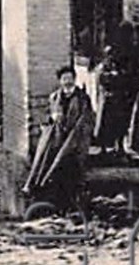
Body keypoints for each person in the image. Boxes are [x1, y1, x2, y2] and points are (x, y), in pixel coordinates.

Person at [24, 65, 95, 214]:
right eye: (64, 79)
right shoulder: (55, 97)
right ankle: (54, 203)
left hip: (74, 141)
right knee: (54, 170)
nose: (67, 82)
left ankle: (72, 204)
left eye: (70, 78)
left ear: (74, 79)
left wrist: (77, 134)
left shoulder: (82, 98)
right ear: (60, 81)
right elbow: (46, 116)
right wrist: (51, 118)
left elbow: (87, 119)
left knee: (71, 171)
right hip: (57, 139)